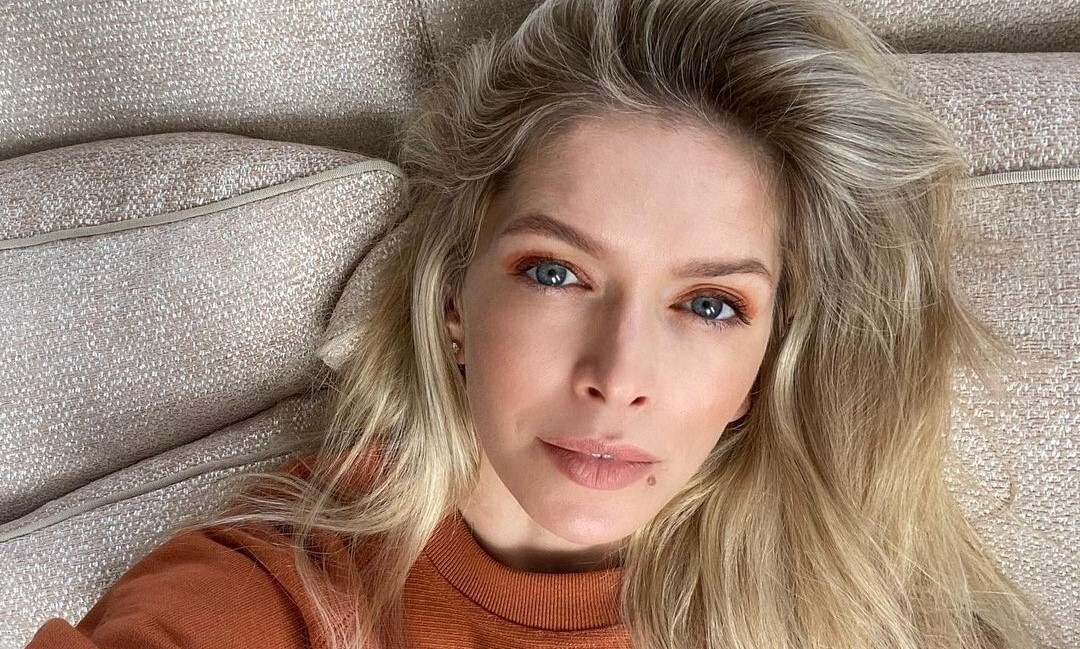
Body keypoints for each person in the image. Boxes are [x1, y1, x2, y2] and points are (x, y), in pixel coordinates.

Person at [26, 0, 1051, 647]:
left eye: (709, 304)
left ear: (765, 361)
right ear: (454, 299)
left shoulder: (861, 612)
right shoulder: (281, 593)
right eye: (557, 272)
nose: (619, 372)